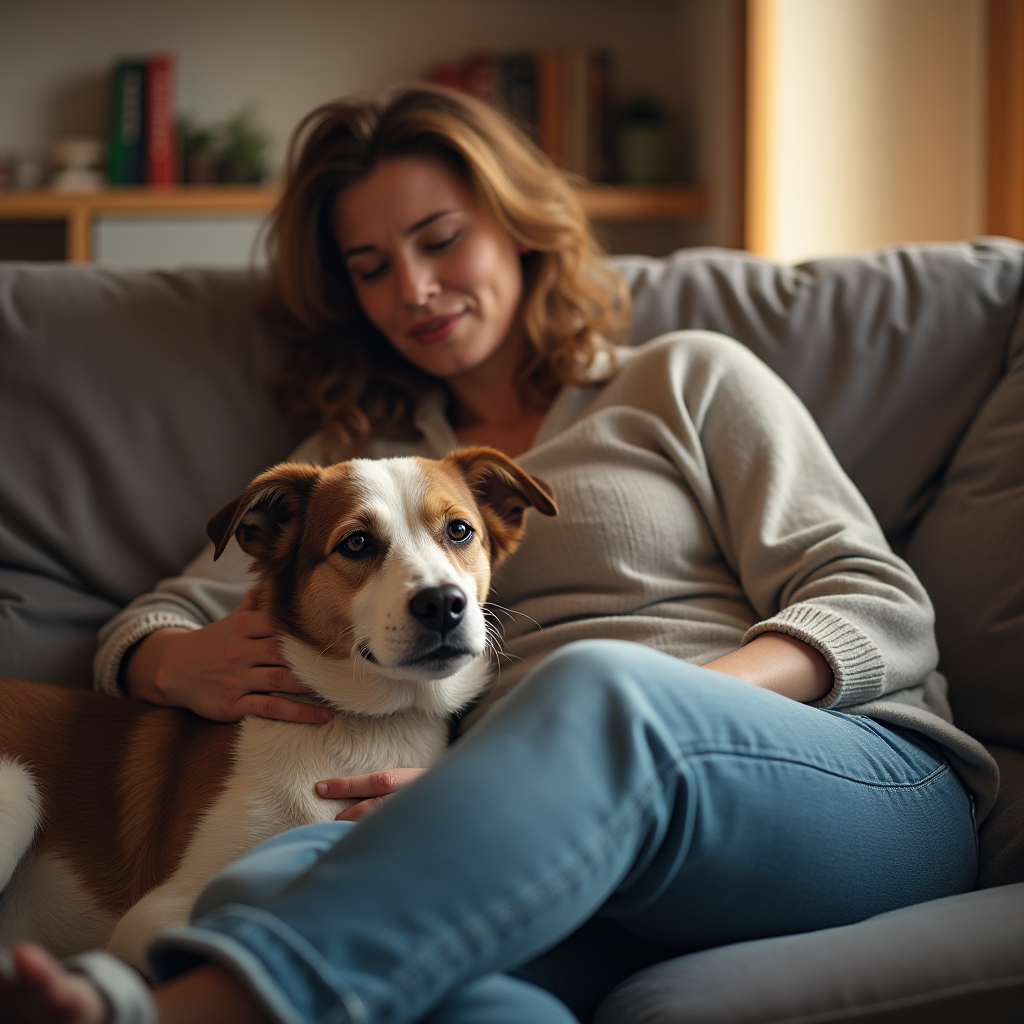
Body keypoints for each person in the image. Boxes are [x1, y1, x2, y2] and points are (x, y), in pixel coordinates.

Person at [0, 85, 997, 1024]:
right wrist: (172, 660)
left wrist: (669, 712)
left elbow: (877, 604)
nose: (418, 288)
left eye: (441, 239)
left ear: (516, 226)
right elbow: (160, 614)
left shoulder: (683, 377)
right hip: (563, 850)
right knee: (283, 882)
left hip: (836, 782)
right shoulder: (360, 463)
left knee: (598, 687)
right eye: (373, 266)